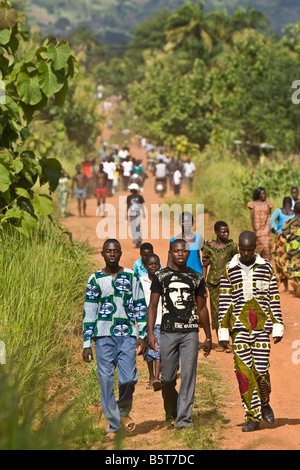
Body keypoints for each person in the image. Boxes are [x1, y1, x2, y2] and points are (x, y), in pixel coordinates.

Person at [218, 231, 284, 432]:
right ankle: (251, 416)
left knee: (261, 372)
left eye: (249, 250)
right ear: (238, 247)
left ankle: (264, 402)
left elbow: (274, 297)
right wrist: (222, 331)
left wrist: (278, 325)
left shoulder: (266, 268)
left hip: (262, 328)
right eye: (242, 249)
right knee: (243, 374)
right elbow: (224, 302)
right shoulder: (229, 270)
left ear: (255, 248)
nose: (246, 253)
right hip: (239, 329)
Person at [82, 239, 147, 441]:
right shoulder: (95, 279)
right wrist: (86, 344)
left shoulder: (130, 276)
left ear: (120, 253)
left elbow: (139, 305)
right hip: (103, 336)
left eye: (115, 251)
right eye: (108, 251)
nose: (112, 254)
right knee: (106, 379)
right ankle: (113, 424)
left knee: (128, 378)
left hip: (126, 334)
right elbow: (89, 311)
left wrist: (143, 334)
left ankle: (121, 410)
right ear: (102, 253)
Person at [147, 239, 212, 431]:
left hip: (190, 332)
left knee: (188, 375)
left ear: (188, 253)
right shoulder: (162, 276)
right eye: (176, 251)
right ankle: (172, 409)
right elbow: (152, 306)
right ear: (171, 253)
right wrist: (151, 333)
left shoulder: (196, 277)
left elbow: (202, 308)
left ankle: (184, 419)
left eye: (184, 251)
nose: (181, 254)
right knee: (167, 379)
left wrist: (208, 337)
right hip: (167, 331)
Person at [202, 221, 238, 351]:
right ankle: (222, 342)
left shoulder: (231, 247)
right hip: (213, 283)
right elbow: (205, 264)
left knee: (230, 310)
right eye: (223, 232)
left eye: (227, 231)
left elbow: (236, 263)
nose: (226, 234)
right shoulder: (209, 247)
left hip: (229, 282)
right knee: (216, 310)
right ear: (216, 232)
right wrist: (203, 282)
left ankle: (231, 339)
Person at [140, 254, 162, 391]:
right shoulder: (141, 282)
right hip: (145, 321)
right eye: (150, 264)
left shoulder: (162, 280)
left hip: (160, 319)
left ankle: (157, 377)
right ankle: (151, 376)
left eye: (156, 264)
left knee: (157, 348)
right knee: (147, 351)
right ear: (145, 266)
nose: (153, 266)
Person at [271, 197, 294, 291]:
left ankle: (286, 288)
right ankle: (292, 286)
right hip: (292, 240)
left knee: (280, 261)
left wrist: (276, 231)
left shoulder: (279, 211)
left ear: (283, 203)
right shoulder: (294, 212)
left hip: (281, 240)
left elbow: (271, 221)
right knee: (290, 261)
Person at [247, 187, 273, 261]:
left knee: (267, 248)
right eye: (262, 194)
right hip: (257, 229)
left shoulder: (268, 204)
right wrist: (255, 228)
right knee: (257, 250)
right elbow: (252, 218)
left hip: (266, 229)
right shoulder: (253, 204)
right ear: (258, 194)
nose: (263, 195)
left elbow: (269, 215)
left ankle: (267, 267)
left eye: (264, 193)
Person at [280, 201, 300, 296]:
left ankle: (297, 283)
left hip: (293, 250)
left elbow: (284, 234)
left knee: (292, 268)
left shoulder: (289, 222)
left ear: (294, 210)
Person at [126, 183, 145, 249]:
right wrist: (126, 214)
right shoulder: (129, 197)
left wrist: (144, 213)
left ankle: (139, 240)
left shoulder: (140, 197)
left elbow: (141, 205)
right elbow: (128, 206)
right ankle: (136, 241)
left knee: (137, 227)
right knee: (133, 228)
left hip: (137, 213)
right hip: (131, 214)